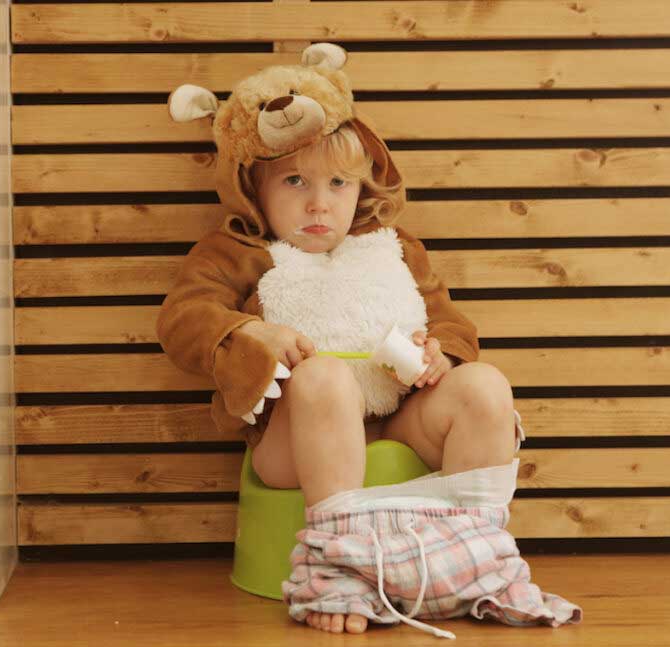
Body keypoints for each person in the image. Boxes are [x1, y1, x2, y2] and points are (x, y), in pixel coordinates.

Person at [158, 43, 580, 637]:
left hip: (399, 417)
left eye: (337, 183)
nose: (318, 203)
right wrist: (251, 331)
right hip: (293, 440)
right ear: (253, 186)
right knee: (325, 374)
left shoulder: (394, 248)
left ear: (363, 185)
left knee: (486, 387)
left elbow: (451, 323)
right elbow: (183, 318)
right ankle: (337, 571)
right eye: (295, 181)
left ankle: (475, 563)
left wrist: (441, 353)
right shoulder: (238, 251)